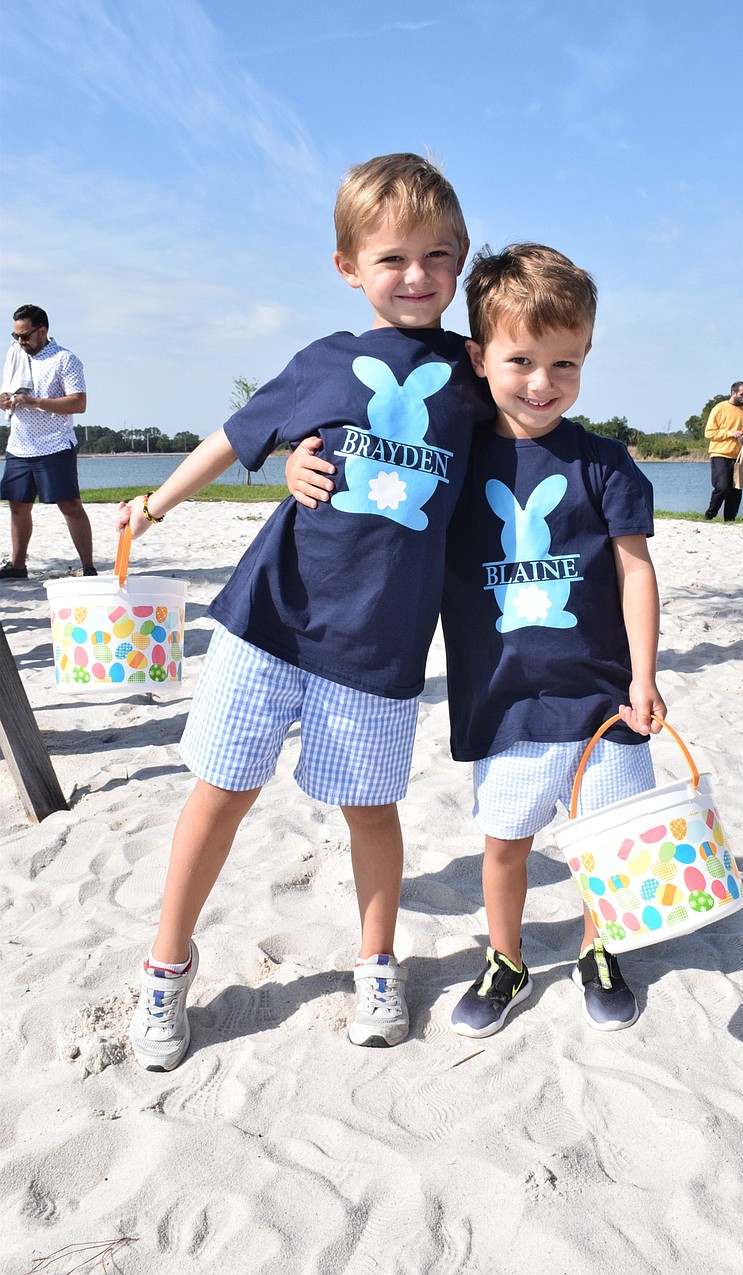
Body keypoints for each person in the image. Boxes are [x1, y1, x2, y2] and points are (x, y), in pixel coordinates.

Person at [121, 153, 494, 1070]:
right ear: (348, 267)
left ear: (462, 261)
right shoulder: (320, 363)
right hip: (272, 619)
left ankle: (376, 961)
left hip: (381, 638)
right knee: (223, 790)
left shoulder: (475, 376)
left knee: (370, 805)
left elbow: (540, 419)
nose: (417, 277)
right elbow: (230, 438)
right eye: (393, 258)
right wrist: (157, 503)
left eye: (439, 257)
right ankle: (167, 962)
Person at [289, 244, 667, 1037]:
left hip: (602, 696)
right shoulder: (454, 461)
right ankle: (507, 958)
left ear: (587, 357)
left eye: (565, 363)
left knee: (605, 843)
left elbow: (636, 571)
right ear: (479, 356)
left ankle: (602, 949)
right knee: (507, 844)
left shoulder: (604, 464)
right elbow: (372, 480)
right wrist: (298, 462)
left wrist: (644, 675)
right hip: (506, 699)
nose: (542, 382)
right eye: (521, 359)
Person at [0, 305, 96, 578]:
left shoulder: (66, 360)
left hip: (54, 445)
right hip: (19, 445)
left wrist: (35, 402)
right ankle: (18, 566)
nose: (20, 341)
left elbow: (79, 403)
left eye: (25, 336)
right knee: (18, 505)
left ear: (43, 331)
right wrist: (4, 400)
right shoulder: (14, 354)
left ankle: (88, 567)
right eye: (16, 335)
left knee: (70, 505)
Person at [703, 381, 743, 522]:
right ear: (733, 393)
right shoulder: (719, 408)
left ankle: (730, 519)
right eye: (742, 394)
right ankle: (710, 514)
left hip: (738, 456)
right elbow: (709, 433)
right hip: (720, 454)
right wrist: (730, 433)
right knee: (722, 487)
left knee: (736, 490)